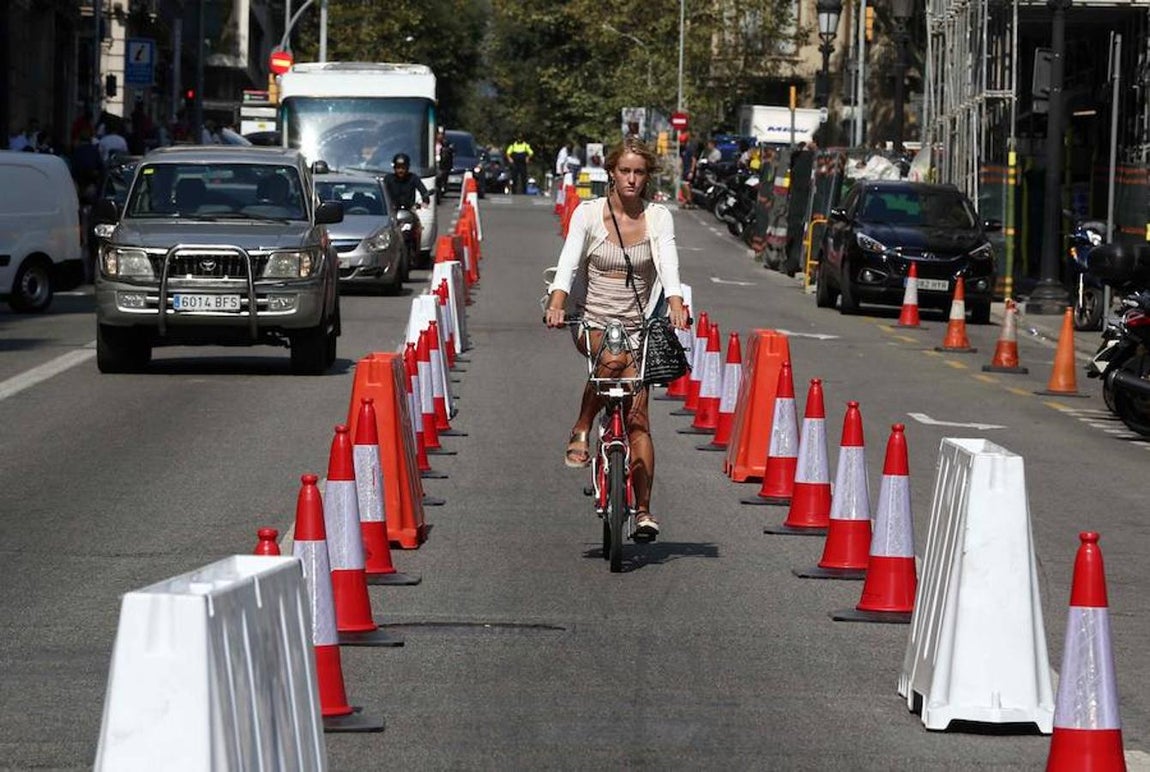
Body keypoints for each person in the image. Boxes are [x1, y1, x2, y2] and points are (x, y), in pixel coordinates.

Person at [543, 137, 689, 541]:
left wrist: (676, 303)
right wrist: (557, 304)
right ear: (611, 172)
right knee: (611, 357)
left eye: (639, 172)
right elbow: (569, 262)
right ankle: (583, 426)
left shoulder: (658, 218)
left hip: (639, 324)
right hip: (589, 320)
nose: (631, 179)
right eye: (624, 170)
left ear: (647, 178)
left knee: (639, 420)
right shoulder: (588, 214)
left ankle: (643, 512)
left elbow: (669, 263)